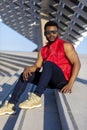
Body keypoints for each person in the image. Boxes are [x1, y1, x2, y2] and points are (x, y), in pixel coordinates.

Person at [0, 21, 81, 116]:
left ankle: (36, 97)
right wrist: (28, 68)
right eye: (48, 32)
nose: (51, 34)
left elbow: (77, 63)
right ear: (45, 34)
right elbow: (37, 67)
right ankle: (11, 105)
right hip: (49, 81)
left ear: (57, 32)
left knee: (48, 64)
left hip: (62, 80)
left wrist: (70, 83)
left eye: (54, 32)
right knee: (25, 75)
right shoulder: (43, 50)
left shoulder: (65, 45)